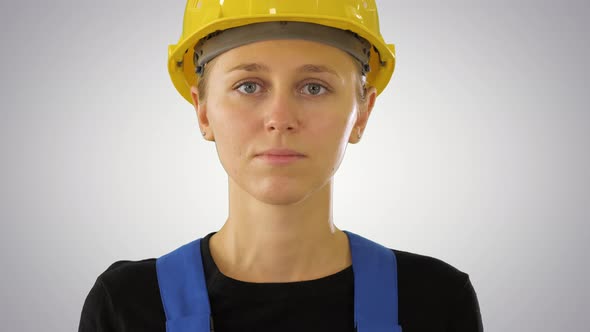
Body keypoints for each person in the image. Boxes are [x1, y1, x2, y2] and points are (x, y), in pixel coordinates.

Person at [78, 1, 483, 331]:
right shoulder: (129, 305)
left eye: (313, 87)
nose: (280, 117)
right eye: (248, 86)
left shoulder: (435, 301)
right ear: (202, 111)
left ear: (361, 113)